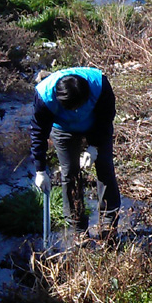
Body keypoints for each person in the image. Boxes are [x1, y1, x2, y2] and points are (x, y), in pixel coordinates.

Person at [30, 67, 121, 240]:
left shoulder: (100, 86)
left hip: (96, 125)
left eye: (80, 106)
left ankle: (109, 224)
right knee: (70, 173)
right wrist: (40, 170)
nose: (76, 112)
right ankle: (79, 229)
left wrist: (94, 147)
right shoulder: (44, 97)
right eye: (72, 108)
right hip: (62, 130)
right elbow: (38, 133)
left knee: (105, 168)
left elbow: (106, 118)